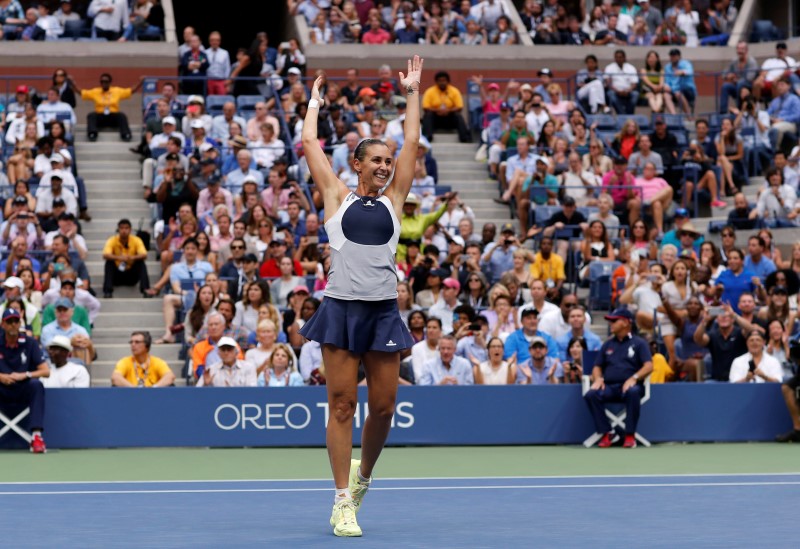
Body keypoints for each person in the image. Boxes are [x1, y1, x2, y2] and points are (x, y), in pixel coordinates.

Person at [297, 56, 424, 537]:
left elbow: (412, 140)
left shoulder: (396, 200)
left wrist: (412, 92)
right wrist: (313, 102)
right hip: (342, 310)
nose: (386, 165)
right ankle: (341, 500)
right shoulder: (335, 194)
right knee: (343, 405)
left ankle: (363, 476)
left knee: (386, 407)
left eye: (389, 161)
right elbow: (310, 142)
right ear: (357, 164)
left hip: (383, 312)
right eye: (377, 159)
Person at [584, 308, 653, 448]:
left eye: (614, 321)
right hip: (609, 387)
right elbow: (597, 366)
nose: (611, 324)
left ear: (626, 322)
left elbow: (649, 366)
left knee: (633, 392)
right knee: (591, 394)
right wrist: (598, 379)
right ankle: (608, 432)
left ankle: (630, 435)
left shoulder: (640, 343)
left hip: (630, 387)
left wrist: (634, 378)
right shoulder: (607, 344)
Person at [0, 308, 49, 453]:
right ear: (3, 324)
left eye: (16, 321)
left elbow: (46, 371)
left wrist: (25, 375)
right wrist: (1, 377)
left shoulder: (30, 343)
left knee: (37, 384)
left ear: (20, 323)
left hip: (22, 389)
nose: (13, 325)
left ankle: (36, 437)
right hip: (1, 389)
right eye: (9, 322)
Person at [69, 72, 143, 142]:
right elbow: (81, 92)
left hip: (113, 117)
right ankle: (92, 134)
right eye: (102, 81)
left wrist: (140, 82)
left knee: (122, 116)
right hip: (100, 117)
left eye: (106, 81)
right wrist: (72, 82)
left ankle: (126, 134)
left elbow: (131, 91)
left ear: (110, 82)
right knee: (91, 115)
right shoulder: (96, 91)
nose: (104, 83)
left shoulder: (117, 91)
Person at [102, 218, 150, 298]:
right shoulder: (112, 240)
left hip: (131, 275)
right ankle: (107, 291)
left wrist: (132, 257)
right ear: (118, 229)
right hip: (116, 275)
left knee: (141, 263)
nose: (124, 231)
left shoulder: (136, 240)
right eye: (121, 228)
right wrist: (119, 258)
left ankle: (146, 289)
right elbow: (105, 255)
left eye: (126, 228)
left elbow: (144, 254)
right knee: (109, 262)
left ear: (130, 230)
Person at [111, 331, 175, 387]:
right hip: (130, 397)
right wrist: (134, 390)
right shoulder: (125, 362)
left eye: (137, 342)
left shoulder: (157, 362)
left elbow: (170, 376)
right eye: (131, 342)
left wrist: (154, 388)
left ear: (146, 345)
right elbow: (115, 378)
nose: (133, 345)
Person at [421, 70, 471, 143]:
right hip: (436, 119)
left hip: (449, 119)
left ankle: (464, 138)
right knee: (428, 115)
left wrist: (448, 111)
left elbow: (459, 107)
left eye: (444, 80)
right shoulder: (430, 91)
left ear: (448, 81)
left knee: (458, 116)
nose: (442, 83)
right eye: (440, 81)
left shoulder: (454, 91)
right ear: (436, 81)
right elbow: (425, 107)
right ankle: (427, 137)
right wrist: (438, 111)